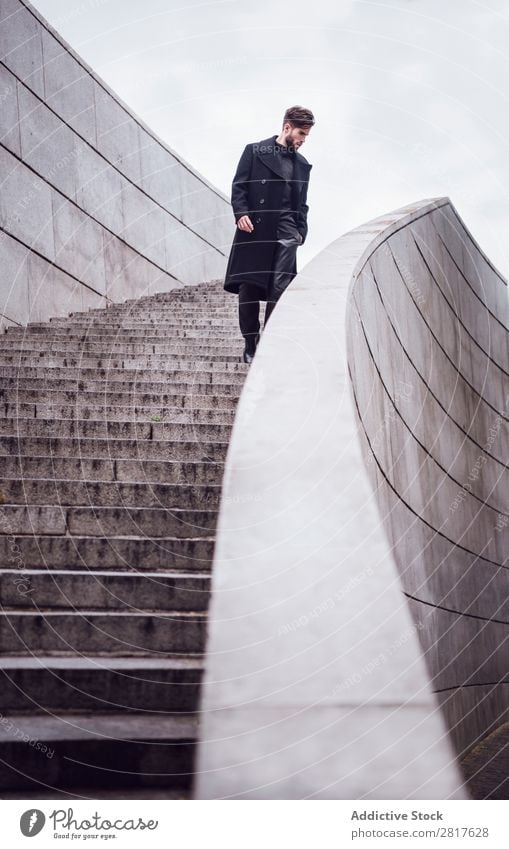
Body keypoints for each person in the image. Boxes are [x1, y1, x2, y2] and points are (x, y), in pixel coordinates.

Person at [223, 106, 315, 363]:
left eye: (306, 136)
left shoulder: (302, 165)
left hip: (287, 230)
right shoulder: (255, 151)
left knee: (280, 287)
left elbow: (303, 203)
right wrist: (240, 213)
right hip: (256, 227)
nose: (302, 140)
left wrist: (301, 231)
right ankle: (251, 341)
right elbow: (239, 185)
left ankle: (271, 340)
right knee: (249, 287)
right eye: (300, 133)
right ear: (287, 127)